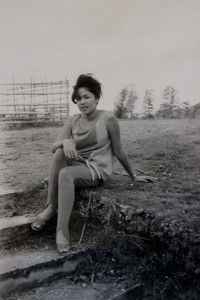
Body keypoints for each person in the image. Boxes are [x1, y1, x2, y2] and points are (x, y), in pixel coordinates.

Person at [31, 74, 156, 254]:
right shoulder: (73, 120)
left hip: (97, 168)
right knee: (59, 151)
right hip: (78, 163)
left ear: (97, 98)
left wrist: (133, 176)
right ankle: (50, 208)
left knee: (65, 174)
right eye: (78, 98)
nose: (82, 102)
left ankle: (62, 231)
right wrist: (65, 142)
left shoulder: (108, 118)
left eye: (87, 97)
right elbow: (53, 147)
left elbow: (119, 150)